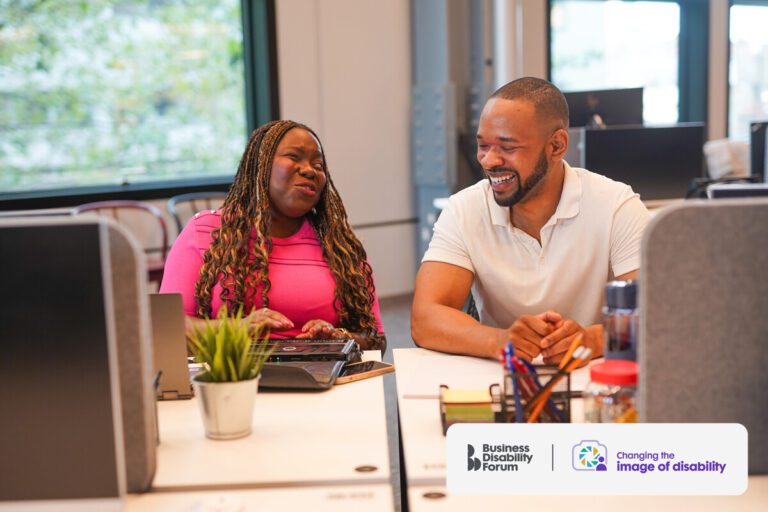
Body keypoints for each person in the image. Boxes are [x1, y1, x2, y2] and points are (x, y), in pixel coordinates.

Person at [411, 77, 650, 364]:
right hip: (502, 375)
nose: (488, 161)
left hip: (596, 375)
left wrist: (593, 339)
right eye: (483, 145)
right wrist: (501, 341)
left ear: (557, 146)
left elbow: (656, 311)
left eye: (507, 148)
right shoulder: (464, 209)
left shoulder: (615, 205)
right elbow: (425, 319)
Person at [160, 120, 386, 351]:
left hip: (325, 380)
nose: (310, 170)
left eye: (318, 164)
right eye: (294, 156)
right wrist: (237, 328)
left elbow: (375, 338)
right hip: (233, 379)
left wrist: (338, 338)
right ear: (261, 165)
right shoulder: (207, 231)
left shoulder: (340, 247)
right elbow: (168, 329)